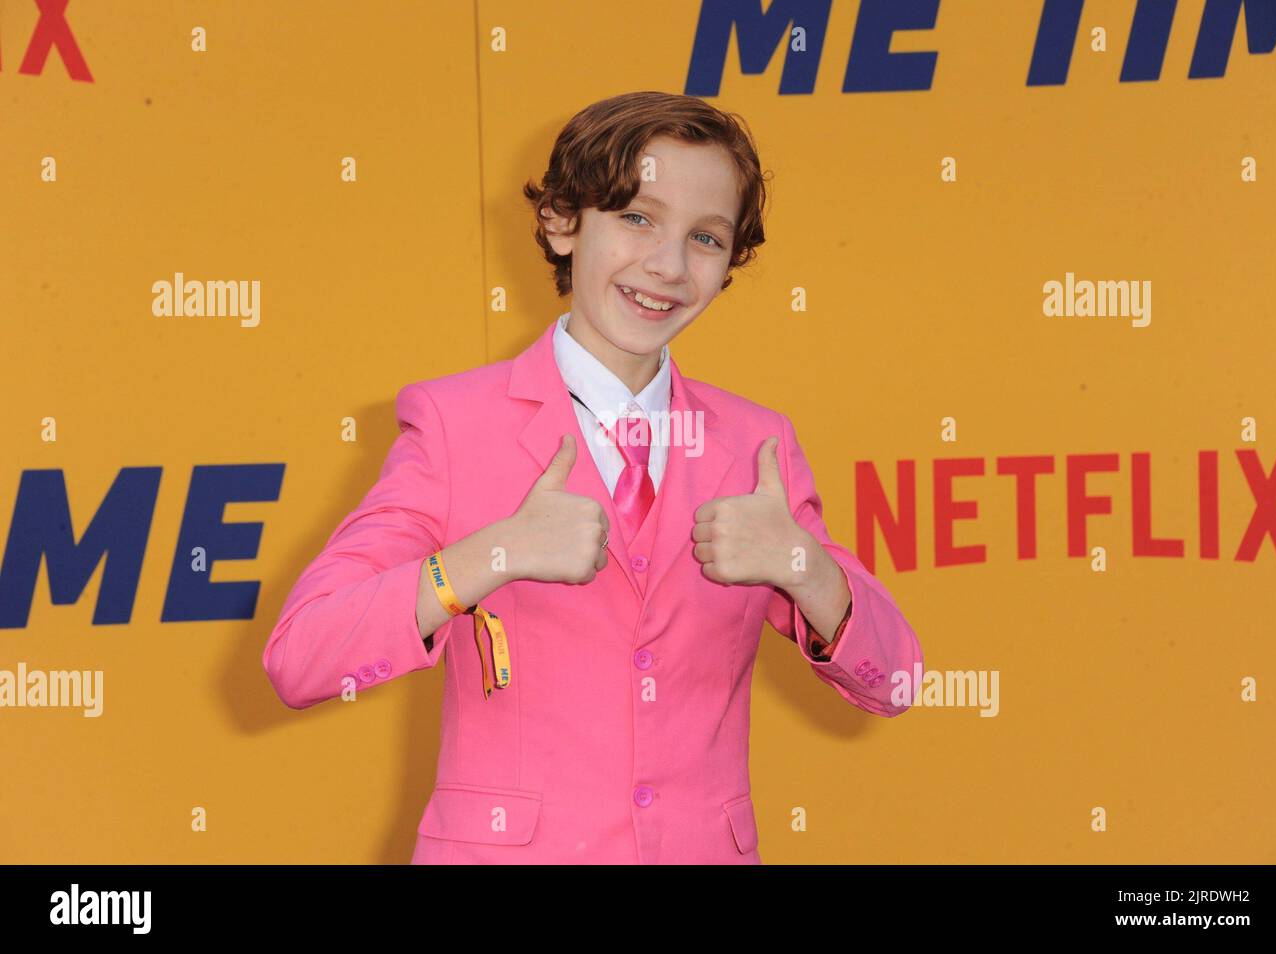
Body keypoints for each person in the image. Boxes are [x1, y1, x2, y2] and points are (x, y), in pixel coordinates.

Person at [262, 90, 923, 864]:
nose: (668, 266)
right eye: (638, 218)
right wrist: (489, 557)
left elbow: (898, 683)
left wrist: (803, 567)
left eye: (706, 238)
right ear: (563, 221)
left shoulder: (756, 446)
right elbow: (301, 659)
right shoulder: (452, 425)